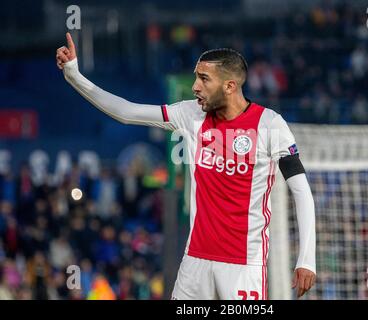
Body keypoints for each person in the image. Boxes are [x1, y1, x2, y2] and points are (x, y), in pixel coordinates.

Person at [56, 32, 316, 300]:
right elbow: (126, 111)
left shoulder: (270, 125)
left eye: (204, 79)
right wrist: (74, 75)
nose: (195, 86)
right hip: (195, 263)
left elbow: (301, 191)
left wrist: (306, 259)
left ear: (229, 86)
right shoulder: (190, 114)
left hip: (243, 265)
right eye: (196, 76)